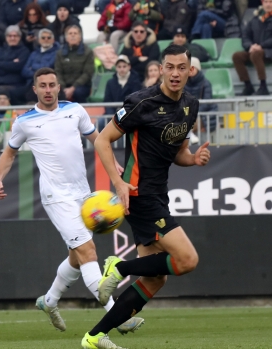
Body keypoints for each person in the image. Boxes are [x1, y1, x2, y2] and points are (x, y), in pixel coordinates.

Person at [0, 67, 144, 335]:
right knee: (88, 252)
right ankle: (117, 315)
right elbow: (9, 153)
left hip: (83, 194)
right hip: (55, 196)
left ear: (59, 87)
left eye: (52, 84)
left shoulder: (75, 110)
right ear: (35, 89)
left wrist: (113, 166)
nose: (48, 89)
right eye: (43, 85)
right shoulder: (24, 121)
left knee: (76, 257)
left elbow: (98, 140)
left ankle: (49, 301)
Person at [81, 44, 210, 349]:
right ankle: (119, 268)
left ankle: (94, 336)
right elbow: (102, 140)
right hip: (138, 194)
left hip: (158, 194)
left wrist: (193, 159)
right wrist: (119, 183)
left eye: (182, 67)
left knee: (155, 278)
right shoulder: (142, 102)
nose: (175, 73)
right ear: (161, 68)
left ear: (190, 70)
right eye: (170, 66)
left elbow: (180, 153)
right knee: (187, 259)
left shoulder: (191, 105)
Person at [232, 0, 272, 96]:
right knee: (237, 56)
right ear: (262, 3)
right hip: (257, 50)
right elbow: (245, 36)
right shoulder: (255, 19)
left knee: (256, 54)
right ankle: (248, 86)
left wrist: (261, 46)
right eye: (266, 2)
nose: (268, 4)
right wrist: (250, 46)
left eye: (271, 2)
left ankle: (263, 87)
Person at [0, 25, 30, 102]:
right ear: (6, 37)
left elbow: (18, 67)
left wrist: (0, 64)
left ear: (19, 37)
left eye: (15, 36)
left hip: (15, 85)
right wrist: (11, 63)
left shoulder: (24, 51)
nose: (12, 38)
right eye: (10, 36)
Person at [54, 25, 94, 103]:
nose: (73, 35)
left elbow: (87, 73)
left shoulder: (88, 52)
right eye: (70, 33)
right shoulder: (60, 53)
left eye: (75, 33)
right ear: (66, 38)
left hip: (82, 86)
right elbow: (58, 72)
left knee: (78, 93)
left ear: (80, 37)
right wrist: (63, 88)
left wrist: (73, 88)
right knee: (57, 93)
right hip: (64, 86)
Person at [102, 55, 141, 130]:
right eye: (119, 67)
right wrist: (111, 115)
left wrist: (120, 115)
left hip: (129, 115)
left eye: (124, 66)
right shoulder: (110, 83)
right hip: (112, 115)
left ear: (129, 67)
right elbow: (107, 100)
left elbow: (135, 101)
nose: (122, 69)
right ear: (116, 68)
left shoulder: (136, 82)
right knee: (100, 123)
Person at [21, 28, 59, 102]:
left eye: (48, 37)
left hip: (45, 84)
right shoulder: (34, 53)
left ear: (53, 40)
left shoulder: (57, 53)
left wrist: (32, 68)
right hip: (30, 83)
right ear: (39, 40)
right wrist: (36, 73)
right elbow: (24, 71)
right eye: (43, 37)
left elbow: (46, 69)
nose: (46, 39)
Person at [185, 57, 218, 134]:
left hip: (202, 116)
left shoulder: (205, 83)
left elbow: (206, 103)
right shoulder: (182, 84)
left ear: (198, 69)